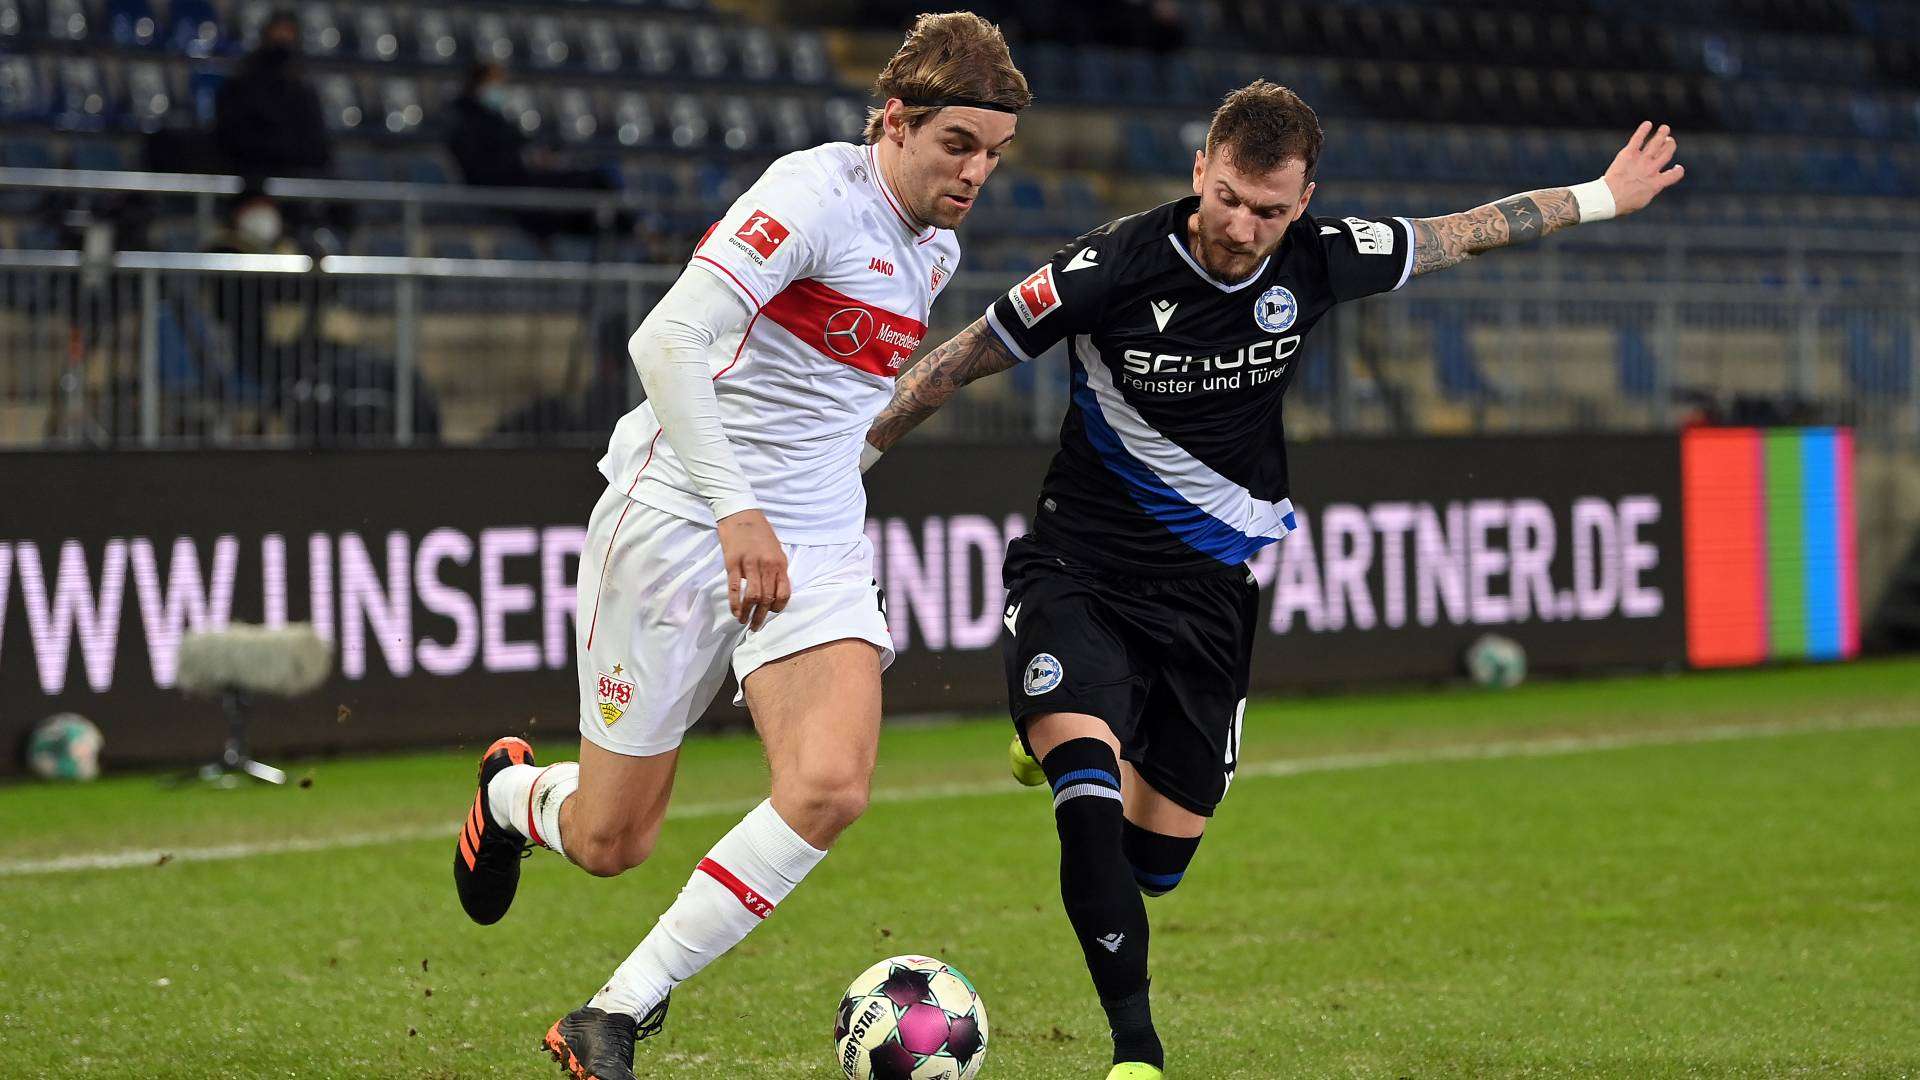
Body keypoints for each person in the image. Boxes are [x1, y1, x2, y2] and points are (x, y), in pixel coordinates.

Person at [861, 81, 1683, 1080]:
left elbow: (1466, 231)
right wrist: (850, 458)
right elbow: (961, 358)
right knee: (1084, 804)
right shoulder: (1108, 266)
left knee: (1156, 868)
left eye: (1271, 210)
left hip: (1210, 597)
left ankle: (1076, 731)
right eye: (1232, 199)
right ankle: (1136, 1051)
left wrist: (1601, 195)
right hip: (1079, 568)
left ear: (1303, 201)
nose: (1245, 227)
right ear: (1201, 169)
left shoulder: (1321, 258)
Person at [449, 14, 1029, 1080]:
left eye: (994, 153)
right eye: (959, 144)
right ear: (894, 120)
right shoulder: (810, 196)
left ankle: (611, 1012)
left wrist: (839, 466)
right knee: (609, 843)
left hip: (810, 536)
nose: (977, 171)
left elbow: (827, 393)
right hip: (679, 516)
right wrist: (736, 511)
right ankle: (508, 798)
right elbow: (663, 341)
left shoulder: (934, 247)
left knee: (830, 786)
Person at [212, 9, 332, 184]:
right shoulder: (241, 84)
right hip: (250, 180)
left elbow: (316, 147)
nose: (283, 39)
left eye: (289, 33)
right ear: (265, 36)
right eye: (278, 33)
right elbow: (230, 138)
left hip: (296, 180)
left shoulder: (302, 91)